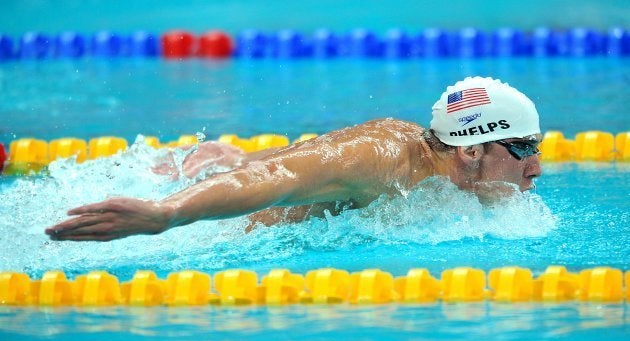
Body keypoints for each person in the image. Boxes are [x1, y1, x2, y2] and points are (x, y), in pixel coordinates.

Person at [45, 76, 543, 241]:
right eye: (523, 149)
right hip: (224, 230)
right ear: (472, 149)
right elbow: (276, 176)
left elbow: (306, 161)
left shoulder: (433, 163)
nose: (535, 167)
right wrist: (165, 214)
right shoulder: (381, 159)